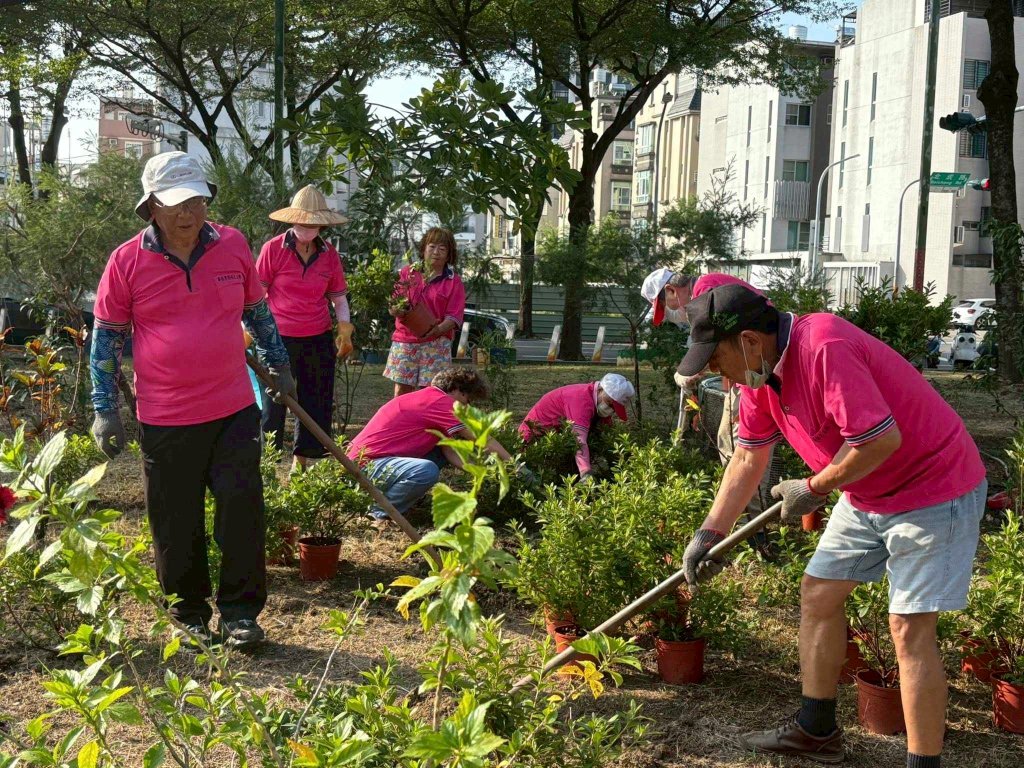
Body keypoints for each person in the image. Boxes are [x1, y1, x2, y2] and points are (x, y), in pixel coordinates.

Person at [678, 284, 986, 768]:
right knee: (818, 594)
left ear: (751, 342)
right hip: (865, 489)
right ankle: (816, 731)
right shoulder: (757, 376)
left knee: (908, 628)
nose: (716, 373)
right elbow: (748, 455)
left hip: (933, 486)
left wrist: (814, 487)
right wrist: (710, 534)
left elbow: (879, 441)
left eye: (715, 360)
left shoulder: (823, 345)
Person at [89, 151, 297, 648]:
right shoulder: (126, 261)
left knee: (241, 510)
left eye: (197, 200)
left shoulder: (232, 245)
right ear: (152, 206)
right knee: (175, 519)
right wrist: (104, 409)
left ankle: (241, 614)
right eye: (177, 203)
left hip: (233, 408)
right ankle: (187, 613)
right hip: (165, 415)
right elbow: (106, 337)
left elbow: (257, 311)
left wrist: (281, 365)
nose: (189, 212)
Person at [347, 367, 528, 527]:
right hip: (363, 468)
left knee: (437, 454)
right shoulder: (441, 403)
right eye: (469, 399)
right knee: (426, 470)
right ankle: (377, 512)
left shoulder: (428, 399)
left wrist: (483, 473)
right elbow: (483, 439)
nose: (468, 406)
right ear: (458, 390)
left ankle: (394, 501)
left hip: (368, 465)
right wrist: (516, 467)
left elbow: (449, 452)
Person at [257, 185, 352, 469]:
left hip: (317, 337)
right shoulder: (272, 249)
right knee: (274, 402)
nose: (307, 228)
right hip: (277, 338)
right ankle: (270, 465)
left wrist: (344, 328)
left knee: (316, 402)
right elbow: (254, 296)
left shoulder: (329, 254)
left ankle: (303, 465)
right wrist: (249, 329)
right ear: (292, 220)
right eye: (302, 221)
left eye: (313, 223)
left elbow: (339, 298)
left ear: (321, 224)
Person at [385, 228, 466, 398]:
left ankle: (426, 425)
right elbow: (394, 302)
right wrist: (395, 309)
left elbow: (454, 315)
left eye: (442, 249)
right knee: (401, 392)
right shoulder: (408, 273)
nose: (436, 252)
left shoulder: (454, 282)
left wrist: (437, 330)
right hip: (405, 341)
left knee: (431, 393)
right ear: (423, 249)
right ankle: (401, 424)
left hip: (436, 343)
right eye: (432, 246)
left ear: (449, 253)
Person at [519, 372, 636, 481]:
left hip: (558, 439)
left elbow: (607, 434)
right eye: (609, 403)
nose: (610, 409)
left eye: (614, 408)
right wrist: (586, 473)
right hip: (533, 440)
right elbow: (579, 441)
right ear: (600, 389)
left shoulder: (598, 402)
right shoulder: (581, 401)